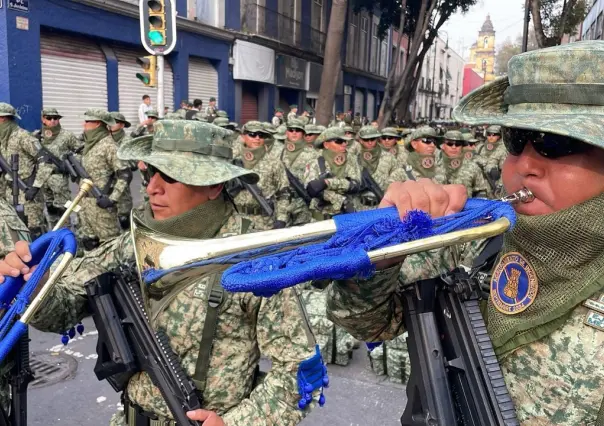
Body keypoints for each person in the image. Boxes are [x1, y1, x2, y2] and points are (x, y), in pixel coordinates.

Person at [325, 41, 604, 425]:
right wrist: (385, 249)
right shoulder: (472, 238)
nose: (524, 165)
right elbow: (364, 322)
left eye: (556, 144)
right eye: (515, 140)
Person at [0, 119, 321, 426]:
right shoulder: (138, 243)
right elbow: (67, 307)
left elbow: (300, 368)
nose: (152, 188)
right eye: (151, 172)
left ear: (213, 185)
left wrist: (237, 424)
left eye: (168, 175)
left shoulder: (254, 255)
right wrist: (35, 282)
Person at [76, 109, 132, 251]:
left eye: (88, 121)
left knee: (110, 247)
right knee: (89, 243)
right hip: (85, 204)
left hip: (101, 204)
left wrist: (112, 199)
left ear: (98, 124)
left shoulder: (109, 145)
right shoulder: (89, 145)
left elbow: (125, 174)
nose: (84, 124)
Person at [0, 103, 54, 239]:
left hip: (28, 194)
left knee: (34, 232)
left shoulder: (23, 137)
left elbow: (46, 161)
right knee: (16, 233)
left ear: (3, 119)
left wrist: (35, 186)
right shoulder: (3, 138)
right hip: (10, 193)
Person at [230, 121, 291, 230]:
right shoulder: (232, 159)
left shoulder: (274, 162)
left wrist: (281, 218)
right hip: (235, 219)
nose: (257, 138)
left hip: (264, 221)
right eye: (252, 134)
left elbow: (283, 193)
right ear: (243, 136)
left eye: (261, 135)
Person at [37, 108, 83, 229]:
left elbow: (82, 151)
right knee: (50, 209)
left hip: (59, 179)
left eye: (56, 118)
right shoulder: (37, 136)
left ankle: (66, 235)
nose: (53, 121)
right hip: (42, 179)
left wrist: (68, 162)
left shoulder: (67, 135)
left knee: (64, 209)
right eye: (49, 118)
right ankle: (53, 234)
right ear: (43, 119)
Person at [306, 127, 361, 220]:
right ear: (326, 145)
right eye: (339, 141)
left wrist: (328, 183)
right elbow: (312, 188)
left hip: (347, 215)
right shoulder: (315, 160)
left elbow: (355, 185)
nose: (344, 144)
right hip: (321, 217)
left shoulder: (352, 159)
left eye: (345, 141)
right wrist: (341, 200)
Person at [355, 126, 407, 211]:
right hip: (358, 208)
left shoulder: (389, 157)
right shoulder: (354, 157)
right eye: (366, 140)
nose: (370, 142)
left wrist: (389, 188)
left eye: (373, 139)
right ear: (360, 140)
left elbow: (401, 176)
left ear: (377, 139)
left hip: (381, 206)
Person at [282, 119, 319, 225]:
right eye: (291, 130)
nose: (294, 133)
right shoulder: (277, 152)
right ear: (286, 132)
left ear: (303, 134)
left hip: (302, 203)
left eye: (297, 130)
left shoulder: (312, 154)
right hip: (280, 204)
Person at [438, 130, 489, 198]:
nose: (454, 147)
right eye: (450, 144)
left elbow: (481, 190)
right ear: (443, 146)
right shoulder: (434, 167)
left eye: (458, 144)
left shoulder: (473, 167)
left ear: (462, 147)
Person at [109, 112, 135, 230]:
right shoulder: (104, 139)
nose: (112, 124)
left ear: (122, 125)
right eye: (110, 121)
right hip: (105, 185)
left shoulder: (128, 141)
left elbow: (134, 163)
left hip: (121, 184)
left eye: (115, 121)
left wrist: (117, 163)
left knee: (124, 219)